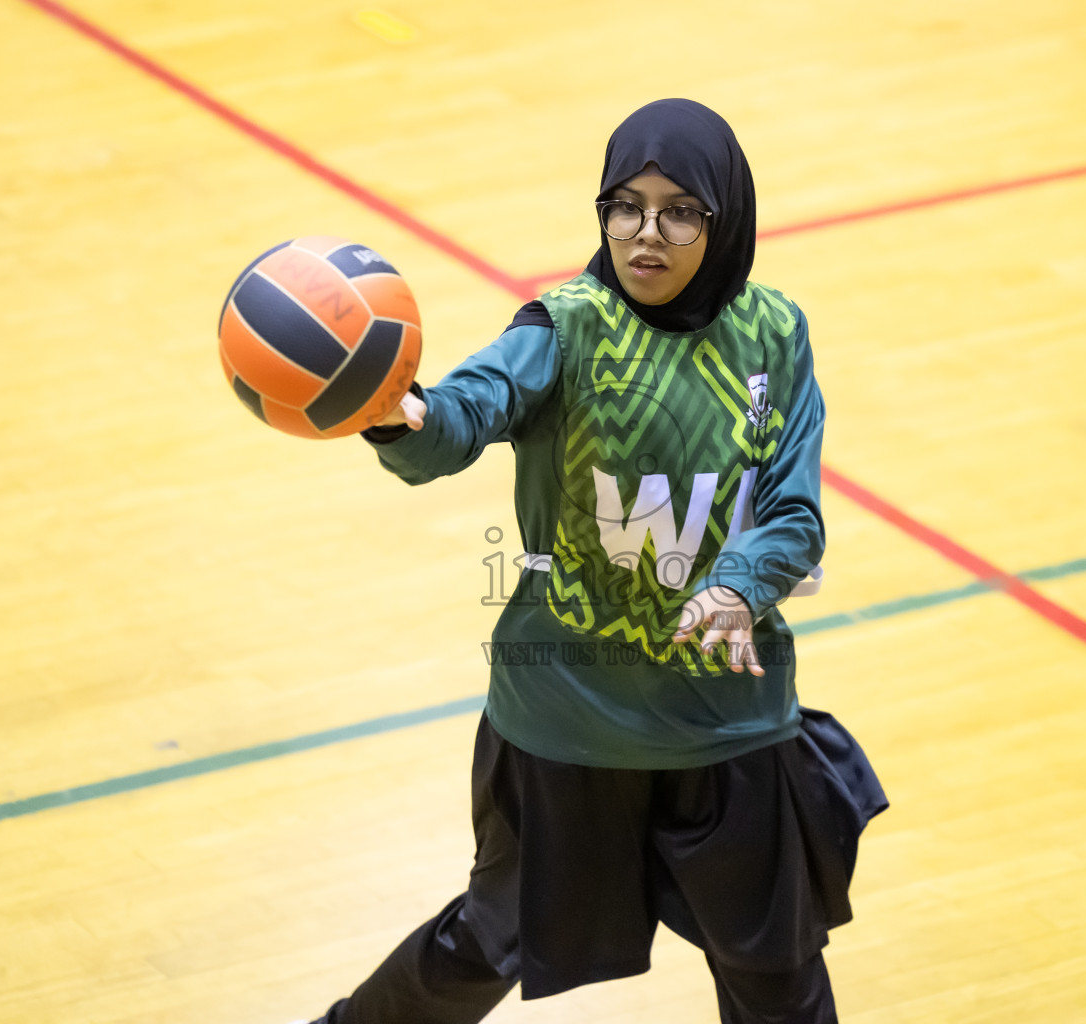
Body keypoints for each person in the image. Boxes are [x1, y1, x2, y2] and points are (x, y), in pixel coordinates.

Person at [298, 98, 886, 1024]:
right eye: (625, 205)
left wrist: (735, 585)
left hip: (726, 719)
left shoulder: (775, 332)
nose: (646, 234)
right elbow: (467, 410)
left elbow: (793, 513)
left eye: (681, 210)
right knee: (491, 941)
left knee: (776, 974)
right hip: (570, 720)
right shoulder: (565, 328)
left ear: (724, 219)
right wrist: (402, 414)